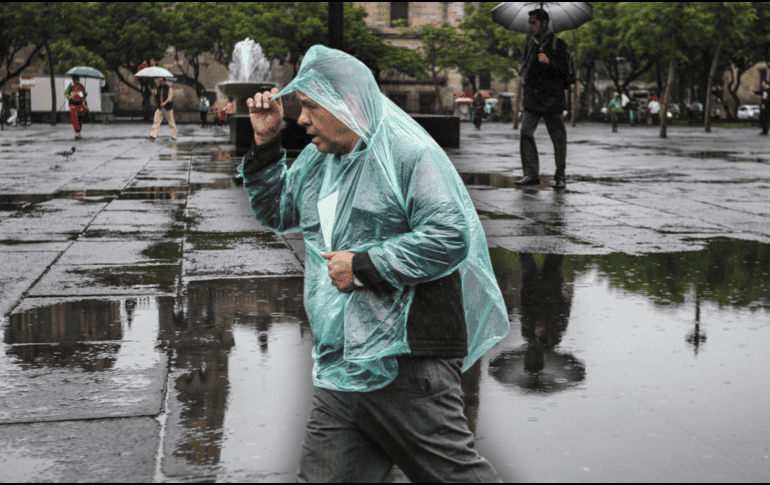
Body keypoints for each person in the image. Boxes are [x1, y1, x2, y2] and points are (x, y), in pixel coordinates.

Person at [238, 45, 509, 483]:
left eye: (310, 107)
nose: (301, 119)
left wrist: (364, 265)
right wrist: (267, 144)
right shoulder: (315, 161)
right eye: (300, 107)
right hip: (341, 367)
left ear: (349, 103)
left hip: (408, 365)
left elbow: (450, 235)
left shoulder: (408, 155)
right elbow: (277, 212)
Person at [514, 8, 570, 190]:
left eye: (533, 23)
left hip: (552, 99)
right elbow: (526, 71)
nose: (530, 26)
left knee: (558, 138)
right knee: (525, 133)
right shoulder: (530, 45)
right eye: (529, 23)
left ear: (544, 23)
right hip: (532, 99)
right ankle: (531, 174)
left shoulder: (558, 45)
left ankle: (560, 176)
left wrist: (549, 62)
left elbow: (566, 76)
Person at [147, 77, 176, 141]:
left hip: (168, 108)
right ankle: (153, 135)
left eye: (161, 80)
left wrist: (164, 103)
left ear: (164, 81)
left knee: (171, 121)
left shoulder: (169, 88)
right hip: (160, 108)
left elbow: (170, 97)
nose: (160, 82)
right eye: (159, 80)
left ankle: (174, 135)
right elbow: (155, 98)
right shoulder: (158, 88)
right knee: (156, 121)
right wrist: (154, 93)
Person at [64, 75, 87, 141]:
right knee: (75, 119)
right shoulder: (70, 86)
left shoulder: (81, 86)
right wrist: (70, 96)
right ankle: (77, 132)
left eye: (77, 79)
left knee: (80, 118)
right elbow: (66, 94)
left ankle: (78, 131)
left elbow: (83, 95)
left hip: (80, 104)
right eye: (75, 79)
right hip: (73, 105)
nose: (76, 80)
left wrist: (84, 95)